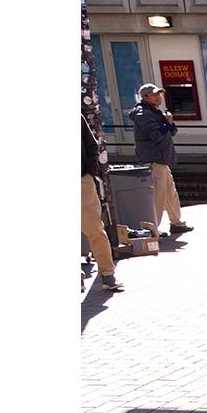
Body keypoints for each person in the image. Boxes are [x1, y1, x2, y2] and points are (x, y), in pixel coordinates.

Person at [130, 83, 193, 237]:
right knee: (158, 197)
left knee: (170, 194)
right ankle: (153, 230)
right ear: (145, 97)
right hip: (154, 161)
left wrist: (169, 122)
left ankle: (176, 223)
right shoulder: (143, 114)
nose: (159, 97)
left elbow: (171, 131)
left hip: (161, 160)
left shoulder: (154, 112)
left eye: (160, 94)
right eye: (155, 94)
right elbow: (157, 135)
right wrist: (167, 122)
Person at [81, 115, 119, 292]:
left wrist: (89, 172)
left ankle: (107, 273)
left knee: (94, 228)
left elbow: (91, 145)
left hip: (81, 181)